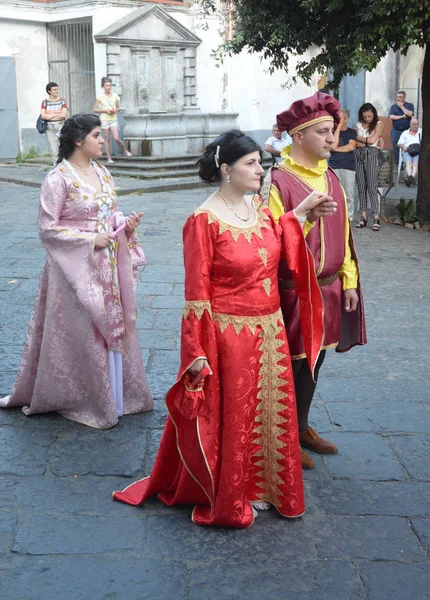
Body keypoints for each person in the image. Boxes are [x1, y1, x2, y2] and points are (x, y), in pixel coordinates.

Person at [113, 130, 337, 527]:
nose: (260, 169)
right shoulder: (202, 221)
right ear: (225, 169)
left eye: (259, 161)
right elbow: (196, 295)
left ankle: (266, 485)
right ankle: (235, 490)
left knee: (268, 413)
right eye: (250, 163)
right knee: (235, 417)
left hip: (270, 333)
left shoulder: (262, 211)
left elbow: (279, 252)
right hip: (228, 339)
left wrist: (300, 215)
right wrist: (196, 352)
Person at [0, 114, 153, 428]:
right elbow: (47, 229)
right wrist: (89, 239)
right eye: (97, 135)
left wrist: (125, 226)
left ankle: (118, 396)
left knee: (110, 322)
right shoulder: (58, 179)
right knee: (84, 327)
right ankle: (83, 395)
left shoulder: (101, 171)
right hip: (73, 270)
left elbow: (110, 214)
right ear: (78, 140)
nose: (102, 140)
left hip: (107, 263)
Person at [266, 92, 366, 470]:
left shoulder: (330, 176)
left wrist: (350, 281)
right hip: (294, 292)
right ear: (298, 136)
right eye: (323, 131)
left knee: (315, 361)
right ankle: (281, 437)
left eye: (333, 130)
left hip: (329, 288)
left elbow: (344, 235)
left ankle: (302, 426)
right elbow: (271, 238)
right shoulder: (278, 181)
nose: (331, 138)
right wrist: (304, 216)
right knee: (292, 365)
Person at [355, 103, 384, 232]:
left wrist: (362, 139)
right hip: (358, 154)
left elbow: (373, 141)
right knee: (361, 186)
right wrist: (365, 141)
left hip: (372, 154)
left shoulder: (379, 124)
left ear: (374, 114)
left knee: (372, 186)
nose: (367, 119)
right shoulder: (358, 125)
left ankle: (376, 216)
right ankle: (363, 215)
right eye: (365, 116)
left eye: (369, 116)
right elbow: (355, 143)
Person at [93, 77, 132, 164]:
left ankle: (125, 150)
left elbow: (118, 107)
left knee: (116, 137)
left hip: (113, 118)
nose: (108, 87)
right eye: (107, 85)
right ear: (103, 86)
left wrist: (115, 110)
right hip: (104, 119)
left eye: (110, 85)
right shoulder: (100, 97)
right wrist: (105, 110)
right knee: (107, 140)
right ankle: (109, 158)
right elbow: (95, 109)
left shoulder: (115, 96)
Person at [329, 108, 357, 221]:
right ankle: (335, 219)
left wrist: (335, 149)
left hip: (348, 167)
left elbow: (351, 147)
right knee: (334, 194)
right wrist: (338, 128)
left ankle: (349, 219)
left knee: (349, 195)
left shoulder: (352, 132)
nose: (337, 121)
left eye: (339, 119)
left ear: (346, 119)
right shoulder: (332, 132)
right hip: (333, 166)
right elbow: (332, 146)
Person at [40, 82, 68, 165]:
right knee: (54, 150)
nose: (57, 91)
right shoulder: (45, 102)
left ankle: (65, 166)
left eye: (57, 89)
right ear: (49, 91)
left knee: (63, 147)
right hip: (49, 128)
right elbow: (43, 116)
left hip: (60, 126)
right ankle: (56, 168)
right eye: (54, 89)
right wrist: (57, 114)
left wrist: (50, 115)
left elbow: (63, 115)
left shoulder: (62, 101)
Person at [389, 91, 414, 165]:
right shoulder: (393, 107)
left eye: (400, 97)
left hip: (407, 130)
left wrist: (401, 106)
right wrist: (402, 116)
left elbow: (410, 114)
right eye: (397, 97)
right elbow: (391, 116)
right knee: (396, 146)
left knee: (408, 147)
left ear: (404, 98)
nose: (398, 98)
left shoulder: (410, 105)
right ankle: (398, 164)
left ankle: (407, 163)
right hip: (396, 130)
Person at [397, 117, 421, 187]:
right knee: (408, 162)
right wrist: (403, 147)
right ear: (410, 124)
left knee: (415, 163)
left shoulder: (421, 131)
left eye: (417, 124)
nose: (416, 126)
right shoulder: (405, 133)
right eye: (414, 124)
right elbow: (399, 144)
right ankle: (411, 178)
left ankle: (410, 178)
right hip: (407, 150)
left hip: (417, 151)